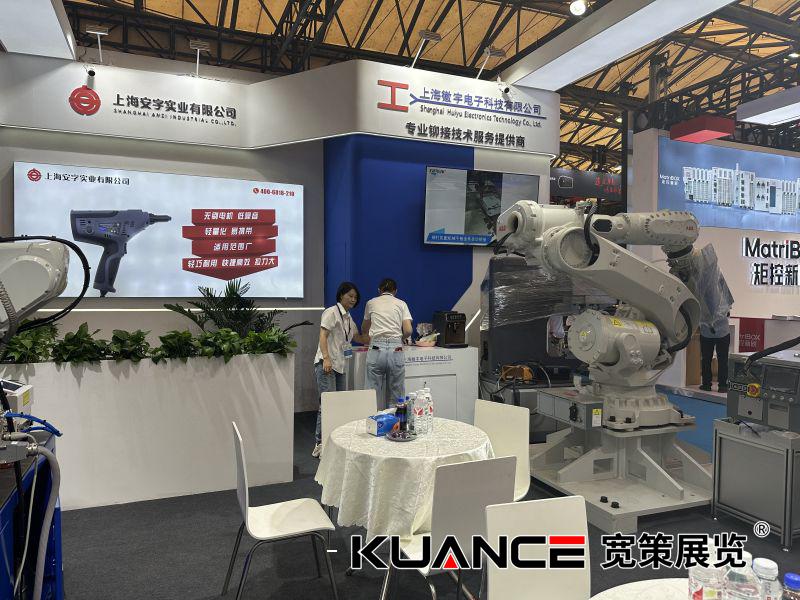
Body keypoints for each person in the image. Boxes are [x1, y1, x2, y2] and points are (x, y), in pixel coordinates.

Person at [312, 282, 369, 458]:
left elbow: (358, 337)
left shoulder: (348, 318)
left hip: (340, 366)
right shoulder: (331, 312)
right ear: (341, 295)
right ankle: (320, 443)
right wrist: (326, 358)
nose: (353, 299)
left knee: (338, 404)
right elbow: (323, 335)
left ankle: (334, 442)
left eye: (355, 297)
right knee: (327, 404)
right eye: (350, 296)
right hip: (327, 364)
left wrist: (379, 333)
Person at [362, 278, 413, 408]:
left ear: (379, 290)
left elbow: (364, 328)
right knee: (396, 395)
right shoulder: (401, 304)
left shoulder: (371, 303)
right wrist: (400, 339)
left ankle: (371, 419)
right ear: (395, 291)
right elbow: (408, 330)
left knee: (371, 393)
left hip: (376, 348)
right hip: (396, 349)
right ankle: (395, 420)